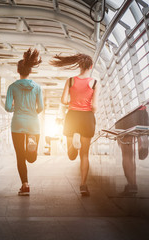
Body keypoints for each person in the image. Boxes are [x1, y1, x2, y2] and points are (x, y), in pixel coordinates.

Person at [50, 53, 99, 196]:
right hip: (87, 117)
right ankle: (83, 185)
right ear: (90, 66)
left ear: (79, 66)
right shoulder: (95, 83)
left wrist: (73, 101)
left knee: (71, 155)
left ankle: (74, 140)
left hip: (72, 116)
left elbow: (63, 100)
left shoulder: (70, 81)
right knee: (84, 155)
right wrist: (89, 110)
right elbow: (95, 105)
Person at [5, 48, 44, 196]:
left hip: (18, 123)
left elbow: (8, 107)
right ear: (30, 71)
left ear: (18, 71)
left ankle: (25, 185)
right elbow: (40, 107)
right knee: (31, 159)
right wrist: (32, 112)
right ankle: (32, 148)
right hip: (33, 124)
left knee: (20, 157)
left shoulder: (12, 87)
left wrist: (17, 107)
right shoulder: (37, 87)